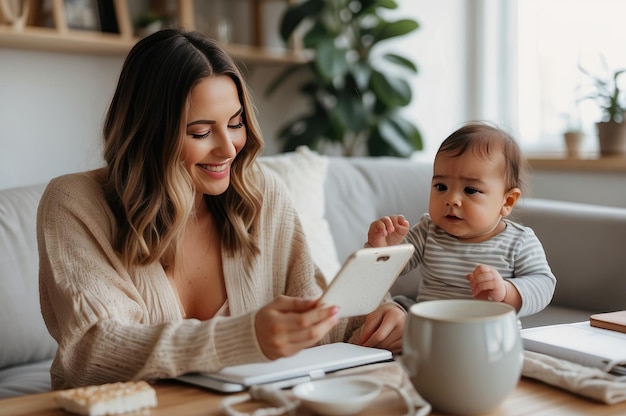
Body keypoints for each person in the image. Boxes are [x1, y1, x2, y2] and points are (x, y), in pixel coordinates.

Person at [37, 28, 406, 390]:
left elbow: (317, 325)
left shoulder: (261, 197)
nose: (229, 148)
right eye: (200, 132)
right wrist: (243, 337)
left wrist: (378, 316)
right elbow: (93, 351)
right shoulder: (74, 203)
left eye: (235, 123)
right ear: (149, 134)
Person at [367, 122, 556, 317]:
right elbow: (384, 274)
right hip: (430, 330)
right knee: (392, 312)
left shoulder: (519, 242)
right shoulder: (427, 231)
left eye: (470, 190)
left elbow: (544, 284)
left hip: (488, 338)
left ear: (507, 201)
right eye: (441, 187)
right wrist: (383, 249)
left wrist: (506, 291)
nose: (451, 200)